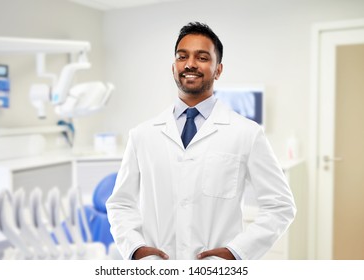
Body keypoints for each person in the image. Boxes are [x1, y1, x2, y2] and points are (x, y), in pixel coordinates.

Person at [106, 22, 296, 260]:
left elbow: (280, 206)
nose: (190, 63)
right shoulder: (142, 135)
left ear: (218, 70)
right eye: (182, 56)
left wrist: (236, 253)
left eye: (202, 57)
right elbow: (120, 204)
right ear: (174, 67)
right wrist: (135, 249)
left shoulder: (247, 133)